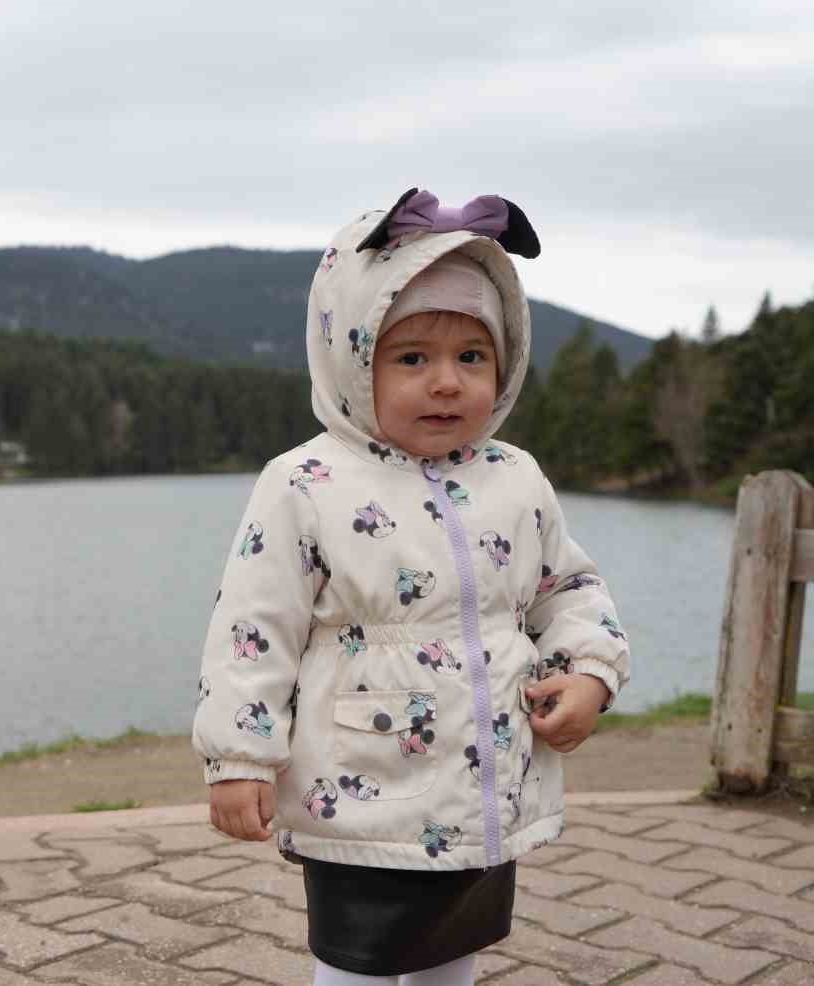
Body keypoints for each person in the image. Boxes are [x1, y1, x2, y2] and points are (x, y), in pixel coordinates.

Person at [192, 188, 631, 986]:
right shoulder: (306, 482)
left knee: (450, 952)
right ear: (353, 360)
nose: (446, 383)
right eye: (411, 358)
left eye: (471, 357)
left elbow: (567, 588)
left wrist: (591, 673)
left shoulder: (515, 476)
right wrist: (238, 757)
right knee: (357, 960)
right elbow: (254, 629)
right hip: (359, 790)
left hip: (483, 789)